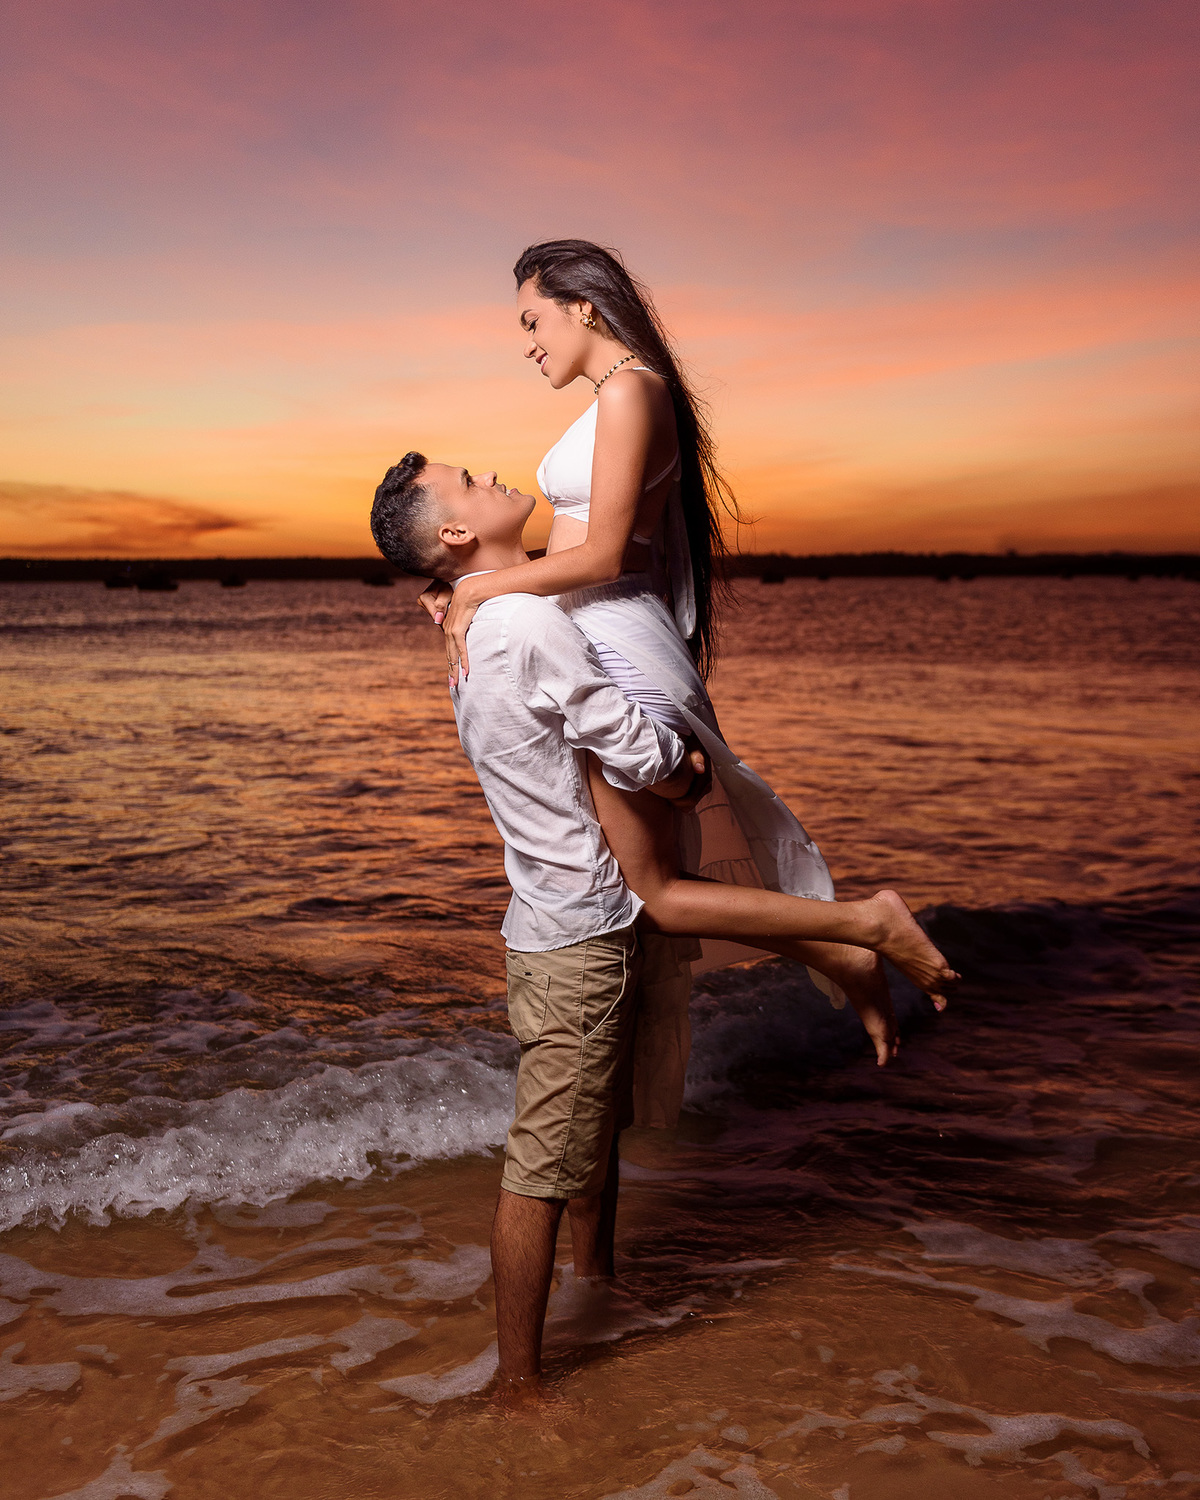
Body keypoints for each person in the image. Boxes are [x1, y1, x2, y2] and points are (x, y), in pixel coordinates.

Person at [369, 460, 954, 1390]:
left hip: (583, 912)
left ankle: (598, 1284)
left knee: (591, 1131)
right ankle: (518, 1390)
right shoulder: (518, 619)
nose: (488, 473)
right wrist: (684, 774)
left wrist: (457, 596)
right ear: (450, 534)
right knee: (540, 1167)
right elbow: (620, 735)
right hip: (575, 936)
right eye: (467, 481)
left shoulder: (487, 613)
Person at [416, 241, 958, 1100]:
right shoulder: (621, 395)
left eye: (532, 320)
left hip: (618, 644)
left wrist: (483, 593)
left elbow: (597, 555)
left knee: (658, 894)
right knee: (654, 890)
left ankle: (865, 925)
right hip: (606, 638)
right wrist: (473, 593)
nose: (527, 342)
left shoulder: (632, 391)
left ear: (582, 306)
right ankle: (847, 949)